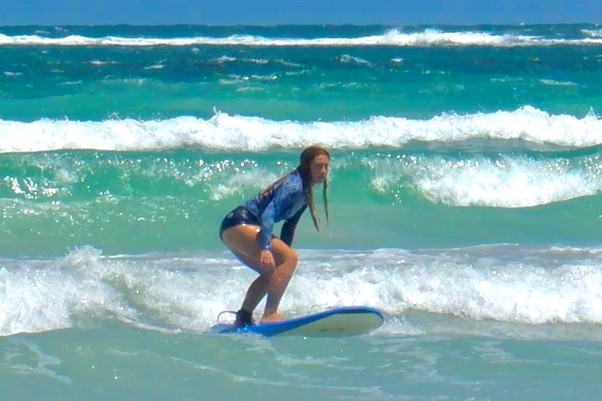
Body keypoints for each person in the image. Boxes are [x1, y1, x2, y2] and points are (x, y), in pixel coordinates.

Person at [219, 145, 330, 327]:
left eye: (326, 166)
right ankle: (270, 314)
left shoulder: (306, 190)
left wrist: (283, 254)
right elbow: (268, 214)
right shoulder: (295, 186)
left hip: (233, 228)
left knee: (272, 269)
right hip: (239, 223)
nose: (323, 171)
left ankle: (244, 316)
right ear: (306, 167)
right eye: (318, 166)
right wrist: (266, 248)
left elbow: (290, 225)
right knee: (291, 258)